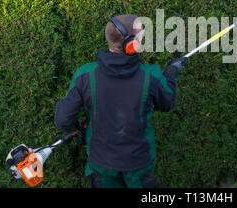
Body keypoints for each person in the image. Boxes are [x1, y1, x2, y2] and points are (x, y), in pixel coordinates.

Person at [54, 14, 186, 188]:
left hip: (101, 163)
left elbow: (63, 120)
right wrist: (170, 75)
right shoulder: (151, 75)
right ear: (131, 44)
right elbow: (166, 103)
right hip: (138, 164)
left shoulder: (85, 75)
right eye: (140, 35)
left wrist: (78, 128)